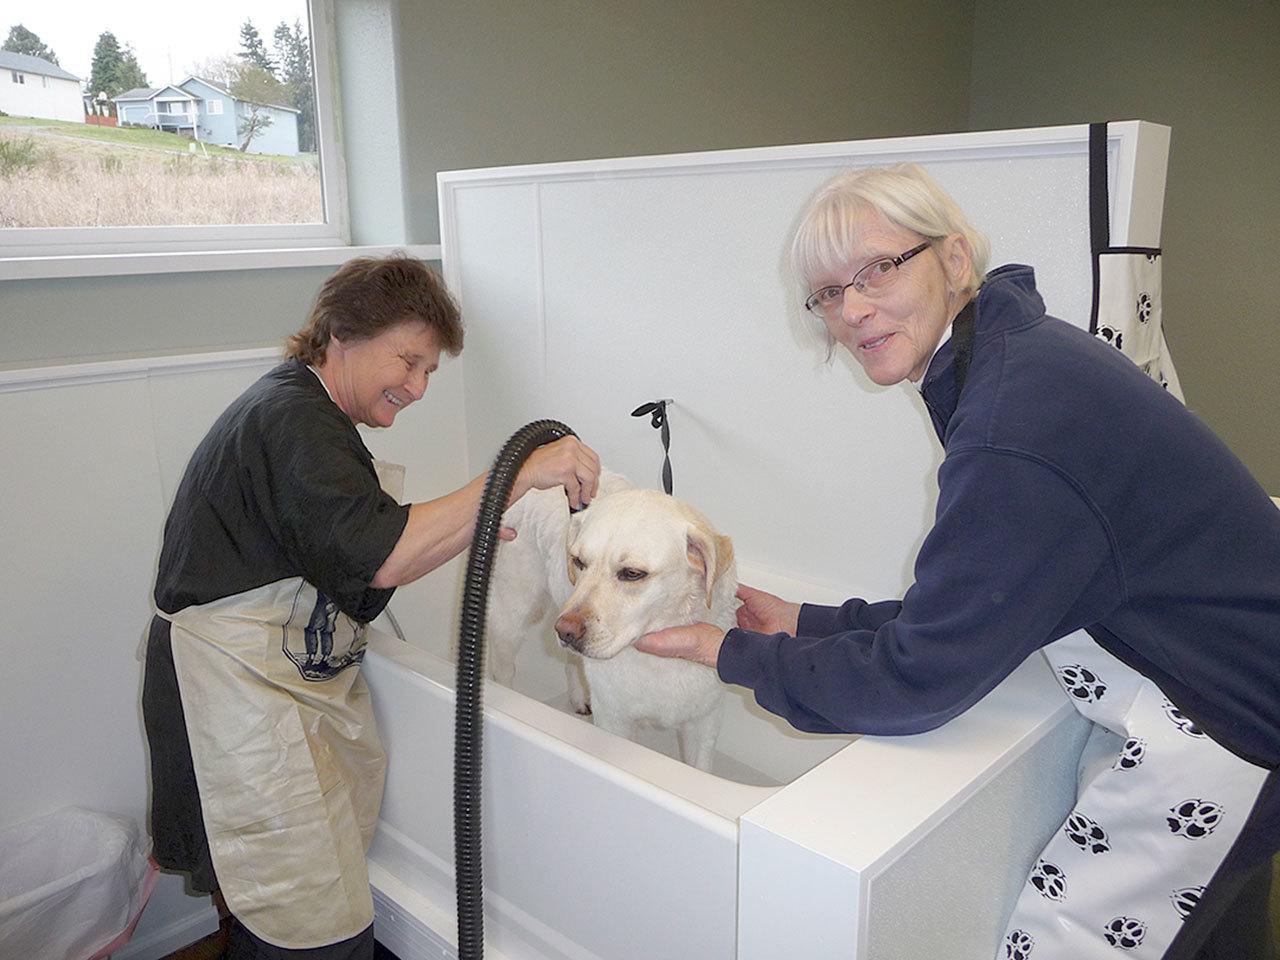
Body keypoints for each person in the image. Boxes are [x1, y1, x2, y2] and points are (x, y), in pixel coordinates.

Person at [637, 164, 1279, 960]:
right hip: (1221, 680)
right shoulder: (1017, 361)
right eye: (830, 293)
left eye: (877, 269)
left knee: (1054, 944)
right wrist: (808, 622)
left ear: (953, 260)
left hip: (1227, 720)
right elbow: (982, 596)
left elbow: (918, 681)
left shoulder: (1013, 422)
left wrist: (729, 653)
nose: (854, 309)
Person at [141, 254, 600, 960]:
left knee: (302, 909)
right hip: (237, 692)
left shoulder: (307, 413)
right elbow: (381, 554)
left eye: (429, 373)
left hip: (276, 682)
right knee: (317, 931)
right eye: (408, 361)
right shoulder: (293, 420)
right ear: (342, 334)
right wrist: (516, 477)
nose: (416, 388)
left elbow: (355, 560)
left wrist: (467, 523)